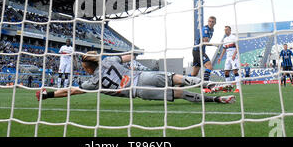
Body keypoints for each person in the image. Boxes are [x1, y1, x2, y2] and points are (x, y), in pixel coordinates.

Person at [37, 51, 235, 104]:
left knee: (180, 94)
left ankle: (216, 99)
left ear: (88, 68)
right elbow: (129, 56)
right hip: (145, 76)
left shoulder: (93, 82)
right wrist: (136, 53)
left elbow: (70, 91)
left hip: (140, 91)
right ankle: (212, 85)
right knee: (179, 78)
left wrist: (48, 95)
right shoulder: (109, 60)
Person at [192, 16, 217, 84]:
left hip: (198, 51)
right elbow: (205, 42)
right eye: (209, 21)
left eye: (212, 22)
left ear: (215, 23)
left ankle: (179, 85)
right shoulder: (205, 29)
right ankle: (206, 85)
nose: (211, 23)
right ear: (207, 21)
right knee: (209, 66)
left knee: (193, 74)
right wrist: (215, 45)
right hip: (198, 51)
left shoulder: (212, 30)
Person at [217, 26, 241, 93]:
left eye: (227, 30)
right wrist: (220, 58)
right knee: (226, 72)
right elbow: (224, 49)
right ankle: (228, 88)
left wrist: (234, 54)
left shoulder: (234, 37)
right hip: (228, 58)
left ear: (230, 30)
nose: (226, 31)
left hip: (234, 57)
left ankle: (238, 88)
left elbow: (237, 47)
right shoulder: (225, 39)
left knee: (235, 71)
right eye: (225, 30)